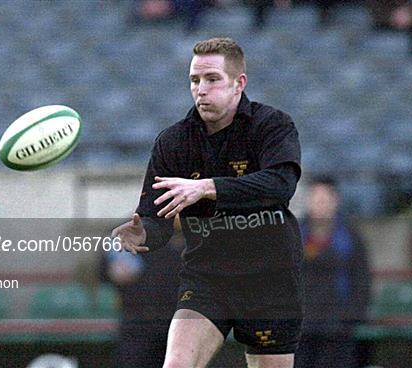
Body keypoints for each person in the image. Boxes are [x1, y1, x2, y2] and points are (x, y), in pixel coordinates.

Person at [112, 37, 303, 368]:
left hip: (270, 280)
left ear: (238, 83)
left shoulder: (272, 125)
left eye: (212, 79)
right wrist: (141, 234)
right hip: (207, 280)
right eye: (194, 80)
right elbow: (156, 219)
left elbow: (281, 184)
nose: (201, 89)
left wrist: (207, 188)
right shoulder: (173, 142)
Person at [294, 176, 371, 368]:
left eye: (325, 199)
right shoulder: (293, 235)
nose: (320, 205)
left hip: (338, 329)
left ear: (336, 201)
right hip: (300, 329)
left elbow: (362, 281)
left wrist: (349, 318)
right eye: (316, 199)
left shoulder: (351, 238)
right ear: (308, 201)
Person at [100, 224, 184, 368]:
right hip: (137, 324)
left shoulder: (187, 229)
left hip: (176, 323)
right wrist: (112, 270)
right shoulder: (127, 230)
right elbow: (107, 271)